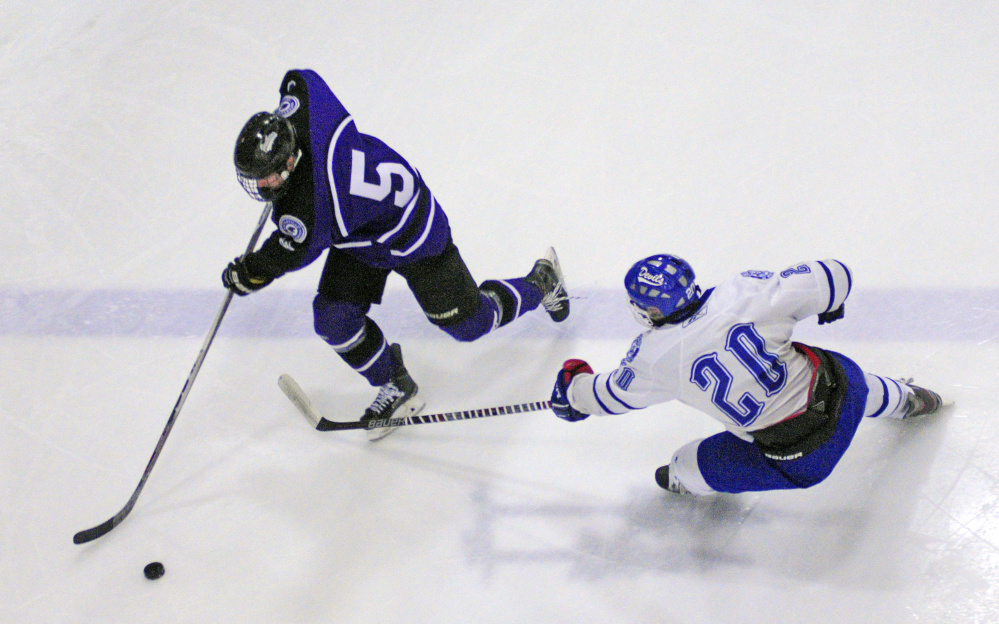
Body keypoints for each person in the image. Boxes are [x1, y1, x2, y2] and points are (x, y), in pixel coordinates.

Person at [222, 69, 569, 441]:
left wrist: (247, 273)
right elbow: (299, 79)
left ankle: (543, 281)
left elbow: (282, 255)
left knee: (471, 325)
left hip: (415, 237)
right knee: (333, 320)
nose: (260, 186)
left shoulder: (314, 210)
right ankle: (396, 383)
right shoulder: (305, 107)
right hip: (364, 235)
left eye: (267, 178)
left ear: (290, 161)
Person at [549, 254, 946, 495]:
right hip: (845, 385)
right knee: (844, 383)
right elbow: (832, 274)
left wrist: (573, 388)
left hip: (804, 459)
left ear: (651, 311)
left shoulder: (651, 358)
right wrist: (832, 301)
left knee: (686, 462)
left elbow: (605, 397)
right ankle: (905, 399)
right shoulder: (743, 292)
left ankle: (685, 479)